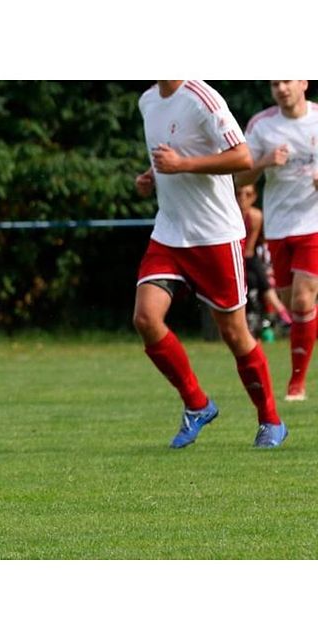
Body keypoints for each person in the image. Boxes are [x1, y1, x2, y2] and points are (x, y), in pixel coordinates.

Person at [133, 80, 288, 449]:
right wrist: (152, 177)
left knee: (234, 333)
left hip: (215, 235)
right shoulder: (147, 101)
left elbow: (243, 157)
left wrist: (181, 164)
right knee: (145, 319)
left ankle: (270, 420)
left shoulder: (202, 97)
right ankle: (197, 404)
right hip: (170, 232)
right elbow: (168, 156)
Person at [235, 81, 318, 401]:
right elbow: (240, 177)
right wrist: (265, 162)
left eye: (287, 80)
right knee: (290, 301)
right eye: (275, 83)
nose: (281, 88)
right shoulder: (261, 125)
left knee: (301, 301)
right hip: (279, 227)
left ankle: (297, 382)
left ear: (304, 82)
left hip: (313, 224)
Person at [235, 182, 292, 337]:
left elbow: (248, 250)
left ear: (254, 197)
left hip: (247, 257)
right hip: (233, 258)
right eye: (239, 194)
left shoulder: (255, 216)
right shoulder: (229, 216)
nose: (242, 199)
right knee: (255, 279)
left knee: (255, 278)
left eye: (247, 195)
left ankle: (277, 314)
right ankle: (281, 312)